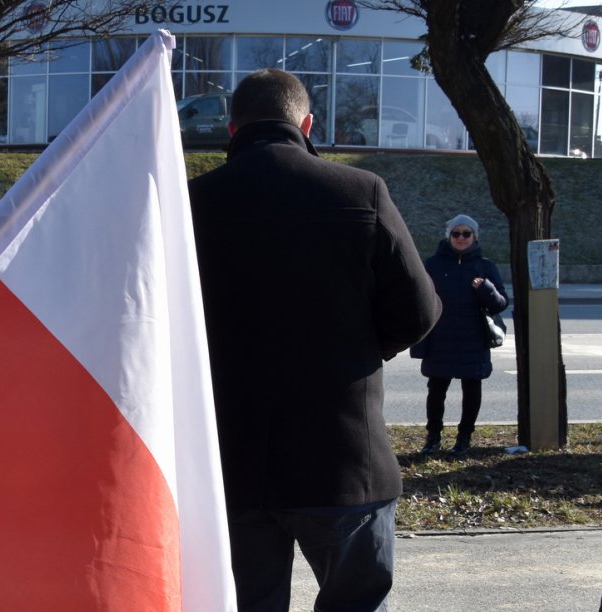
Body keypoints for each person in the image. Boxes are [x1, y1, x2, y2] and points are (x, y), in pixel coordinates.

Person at [187, 69, 440, 612]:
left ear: (232, 128)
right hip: (344, 461)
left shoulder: (192, 203)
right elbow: (420, 310)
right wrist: (362, 347)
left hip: (229, 462)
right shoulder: (361, 192)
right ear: (306, 123)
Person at [410, 215, 509, 457]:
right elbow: (418, 298)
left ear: (475, 236)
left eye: (466, 234)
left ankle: (464, 438)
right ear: (449, 236)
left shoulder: (485, 267)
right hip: (440, 338)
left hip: (473, 339)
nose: (461, 238)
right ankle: (433, 437)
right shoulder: (432, 264)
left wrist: (485, 288)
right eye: (456, 233)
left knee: (472, 390)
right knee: (436, 391)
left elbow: (500, 304)